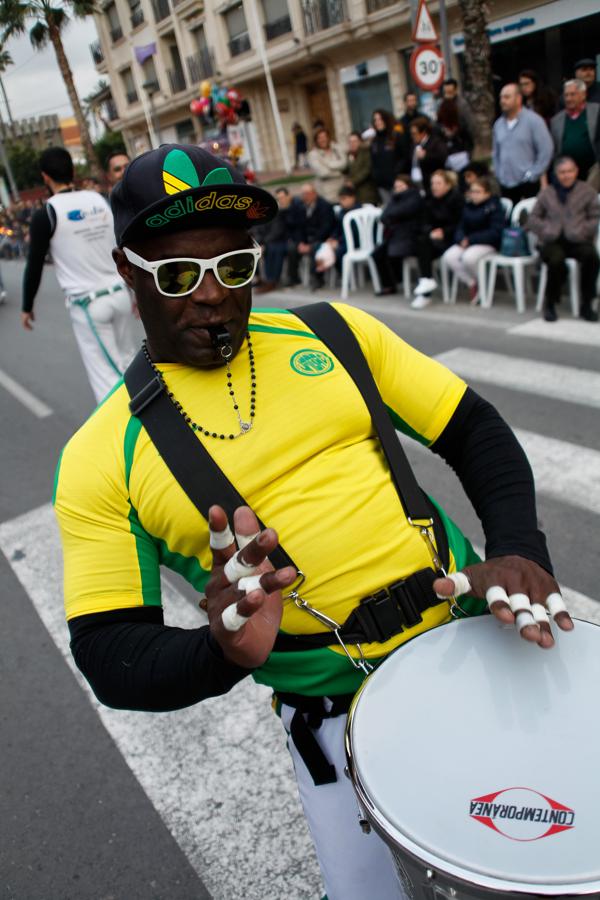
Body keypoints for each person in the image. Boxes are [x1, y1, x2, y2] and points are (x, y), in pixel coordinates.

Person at [53, 143, 572, 900]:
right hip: (337, 719)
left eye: (234, 267)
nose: (212, 297)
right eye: (178, 276)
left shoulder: (333, 333)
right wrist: (219, 651)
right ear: (128, 276)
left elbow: (473, 429)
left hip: (477, 644)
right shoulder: (99, 456)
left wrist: (519, 548)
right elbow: (108, 652)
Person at [21, 146, 136, 403]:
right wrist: (135, 290)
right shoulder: (100, 200)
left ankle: (128, 425)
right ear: (73, 171)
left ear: (45, 177)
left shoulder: (46, 214)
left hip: (89, 305)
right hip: (121, 295)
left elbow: (34, 264)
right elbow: (124, 243)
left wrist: (27, 306)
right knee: (129, 363)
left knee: (107, 380)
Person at [527, 156, 600, 323]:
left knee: (591, 257)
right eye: (562, 172)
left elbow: (594, 217)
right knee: (555, 260)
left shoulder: (587, 191)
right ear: (556, 174)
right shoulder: (547, 193)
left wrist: (582, 230)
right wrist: (547, 229)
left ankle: (587, 303)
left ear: (576, 172)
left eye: (569, 171)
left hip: (578, 238)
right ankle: (550, 303)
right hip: (552, 240)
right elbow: (533, 218)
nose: (566, 176)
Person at [442, 175, 504, 304]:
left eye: (478, 192)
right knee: (449, 256)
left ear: (487, 193)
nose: (474, 195)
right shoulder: (468, 206)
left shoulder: (494, 206)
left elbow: (495, 232)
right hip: (467, 242)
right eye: (472, 192)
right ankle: (472, 283)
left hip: (487, 243)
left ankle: (483, 285)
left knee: (468, 258)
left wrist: (471, 239)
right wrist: (461, 239)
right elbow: (460, 226)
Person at [492, 83, 553, 205]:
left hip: (528, 184)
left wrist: (533, 173)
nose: (502, 101)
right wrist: (499, 173)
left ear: (518, 98)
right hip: (505, 185)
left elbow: (546, 150)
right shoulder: (498, 125)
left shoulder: (534, 121)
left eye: (507, 97)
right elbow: (496, 152)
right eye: (501, 97)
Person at [411, 169, 464, 309]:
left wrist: (444, 232)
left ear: (448, 185)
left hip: (452, 239)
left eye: (438, 183)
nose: (434, 186)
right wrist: (431, 231)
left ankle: (425, 288)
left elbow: (460, 223)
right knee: (422, 243)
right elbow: (422, 221)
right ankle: (426, 283)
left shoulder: (457, 199)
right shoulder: (429, 200)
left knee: (423, 246)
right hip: (431, 239)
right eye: (433, 183)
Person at [371, 174, 424, 296]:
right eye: (397, 187)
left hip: (410, 235)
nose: (399, 189)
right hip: (394, 235)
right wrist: (393, 216)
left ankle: (400, 280)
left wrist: (393, 216)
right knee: (378, 253)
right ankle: (389, 285)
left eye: (401, 186)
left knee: (393, 253)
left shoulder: (414, 197)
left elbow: (404, 211)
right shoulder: (394, 199)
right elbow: (384, 216)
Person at [285, 182, 336, 290]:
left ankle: (317, 278)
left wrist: (310, 244)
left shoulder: (325, 206)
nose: (304, 197)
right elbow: (298, 227)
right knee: (291, 248)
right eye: (303, 194)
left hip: (321, 238)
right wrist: (300, 242)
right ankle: (294, 278)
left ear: (314, 194)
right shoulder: (300, 206)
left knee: (315, 248)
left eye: (307, 194)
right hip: (305, 239)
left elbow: (326, 228)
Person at [550, 80, 600, 184]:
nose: (568, 99)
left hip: (594, 170)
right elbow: (554, 150)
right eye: (566, 95)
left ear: (583, 95)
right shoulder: (556, 120)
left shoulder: (596, 111)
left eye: (573, 94)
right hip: (566, 174)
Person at [253, 186, 299, 294]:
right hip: (272, 240)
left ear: (288, 196)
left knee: (275, 248)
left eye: (282, 197)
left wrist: (264, 242)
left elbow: (278, 230)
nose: (281, 200)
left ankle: (273, 281)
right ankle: (265, 279)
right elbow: (257, 229)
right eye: (279, 198)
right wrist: (261, 242)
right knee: (266, 248)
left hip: (286, 240)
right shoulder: (264, 211)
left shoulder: (293, 208)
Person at [369, 108, 410, 204]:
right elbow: (373, 161)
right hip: (381, 184)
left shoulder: (396, 136)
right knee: (388, 209)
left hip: (397, 182)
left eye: (380, 119)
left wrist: (397, 173)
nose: (378, 122)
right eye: (375, 120)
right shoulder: (374, 141)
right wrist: (376, 176)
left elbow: (405, 157)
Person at [307, 128, 347, 203]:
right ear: (316, 140)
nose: (323, 140)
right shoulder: (313, 155)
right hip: (327, 195)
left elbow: (344, 164)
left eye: (324, 137)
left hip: (343, 191)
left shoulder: (337, 149)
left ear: (328, 137)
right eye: (320, 138)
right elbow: (323, 173)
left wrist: (328, 164)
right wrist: (340, 173)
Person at [409, 116, 448, 193]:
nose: (412, 136)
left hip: (430, 182)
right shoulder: (414, 144)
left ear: (423, 132)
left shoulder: (435, 142)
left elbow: (442, 157)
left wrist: (426, 156)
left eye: (414, 134)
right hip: (417, 182)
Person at [436, 99, 473, 172]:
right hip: (448, 161)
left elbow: (469, 141)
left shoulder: (460, 126)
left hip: (461, 159)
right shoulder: (438, 128)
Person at [344, 132, 379, 206]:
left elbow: (367, 169)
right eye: (350, 142)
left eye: (355, 141)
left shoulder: (366, 152)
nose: (352, 144)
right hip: (355, 194)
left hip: (367, 193)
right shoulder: (349, 155)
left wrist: (353, 181)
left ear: (360, 142)